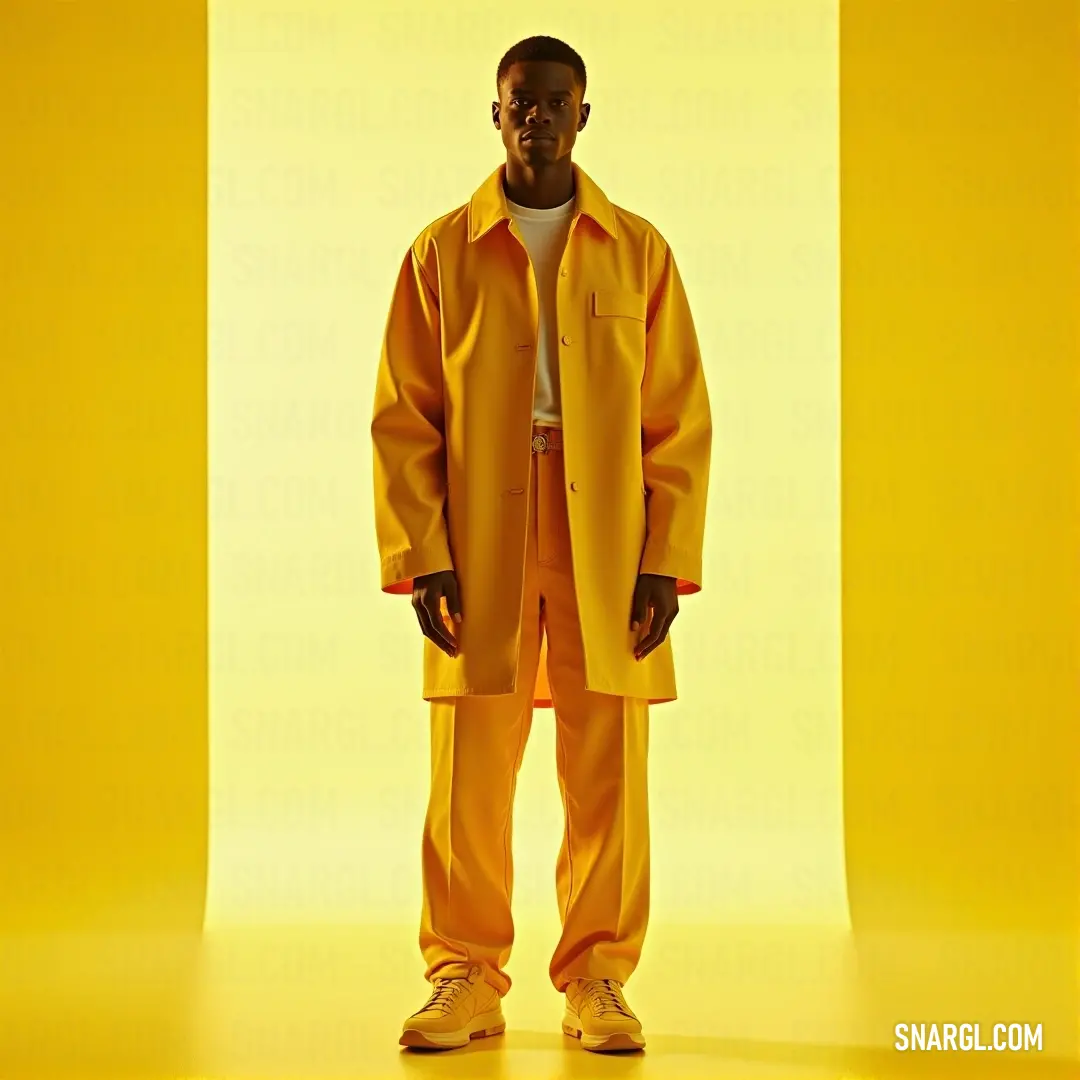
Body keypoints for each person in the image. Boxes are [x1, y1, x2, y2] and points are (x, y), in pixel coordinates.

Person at [371, 34, 711, 1055]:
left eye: (556, 101)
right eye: (520, 101)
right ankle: (463, 972)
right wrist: (422, 550)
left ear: (583, 115)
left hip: (606, 530)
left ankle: (599, 974)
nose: (537, 117)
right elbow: (405, 415)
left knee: (608, 751)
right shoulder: (441, 252)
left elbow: (679, 415)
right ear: (496, 113)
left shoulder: (638, 250)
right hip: (482, 528)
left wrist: (663, 555)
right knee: (471, 758)